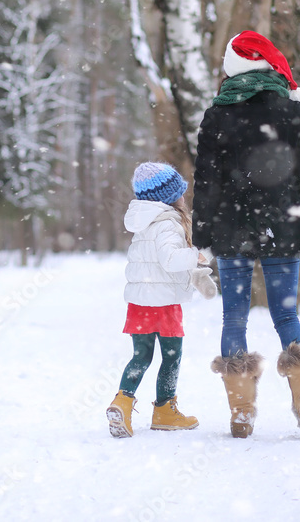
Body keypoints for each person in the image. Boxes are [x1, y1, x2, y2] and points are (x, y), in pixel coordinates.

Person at [192, 30, 300, 439]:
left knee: (234, 315)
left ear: (233, 67)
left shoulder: (218, 113)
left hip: (232, 228)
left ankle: (241, 413)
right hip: (283, 225)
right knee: (286, 315)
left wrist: (202, 233)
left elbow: (206, 180)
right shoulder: (291, 110)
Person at [106, 162, 217, 438]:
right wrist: (199, 256)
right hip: (164, 303)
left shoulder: (144, 222)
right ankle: (165, 410)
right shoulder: (168, 223)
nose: (183, 196)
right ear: (168, 197)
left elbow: (156, 262)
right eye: (179, 191)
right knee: (171, 356)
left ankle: (122, 402)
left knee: (141, 356)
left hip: (140, 303)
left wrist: (197, 275)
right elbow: (170, 260)